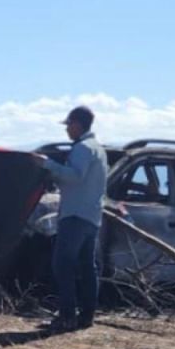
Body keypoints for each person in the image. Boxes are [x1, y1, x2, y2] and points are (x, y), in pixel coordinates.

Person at [31, 105, 108, 332]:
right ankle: (86, 316)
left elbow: (74, 176)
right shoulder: (99, 149)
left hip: (75, 214)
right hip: (91, 215)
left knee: (63, 264)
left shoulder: (83, 148)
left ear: (77, 124)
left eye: (68, 125)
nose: (67, 130)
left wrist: (47, 164)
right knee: (87, 266)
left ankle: (66, 316)